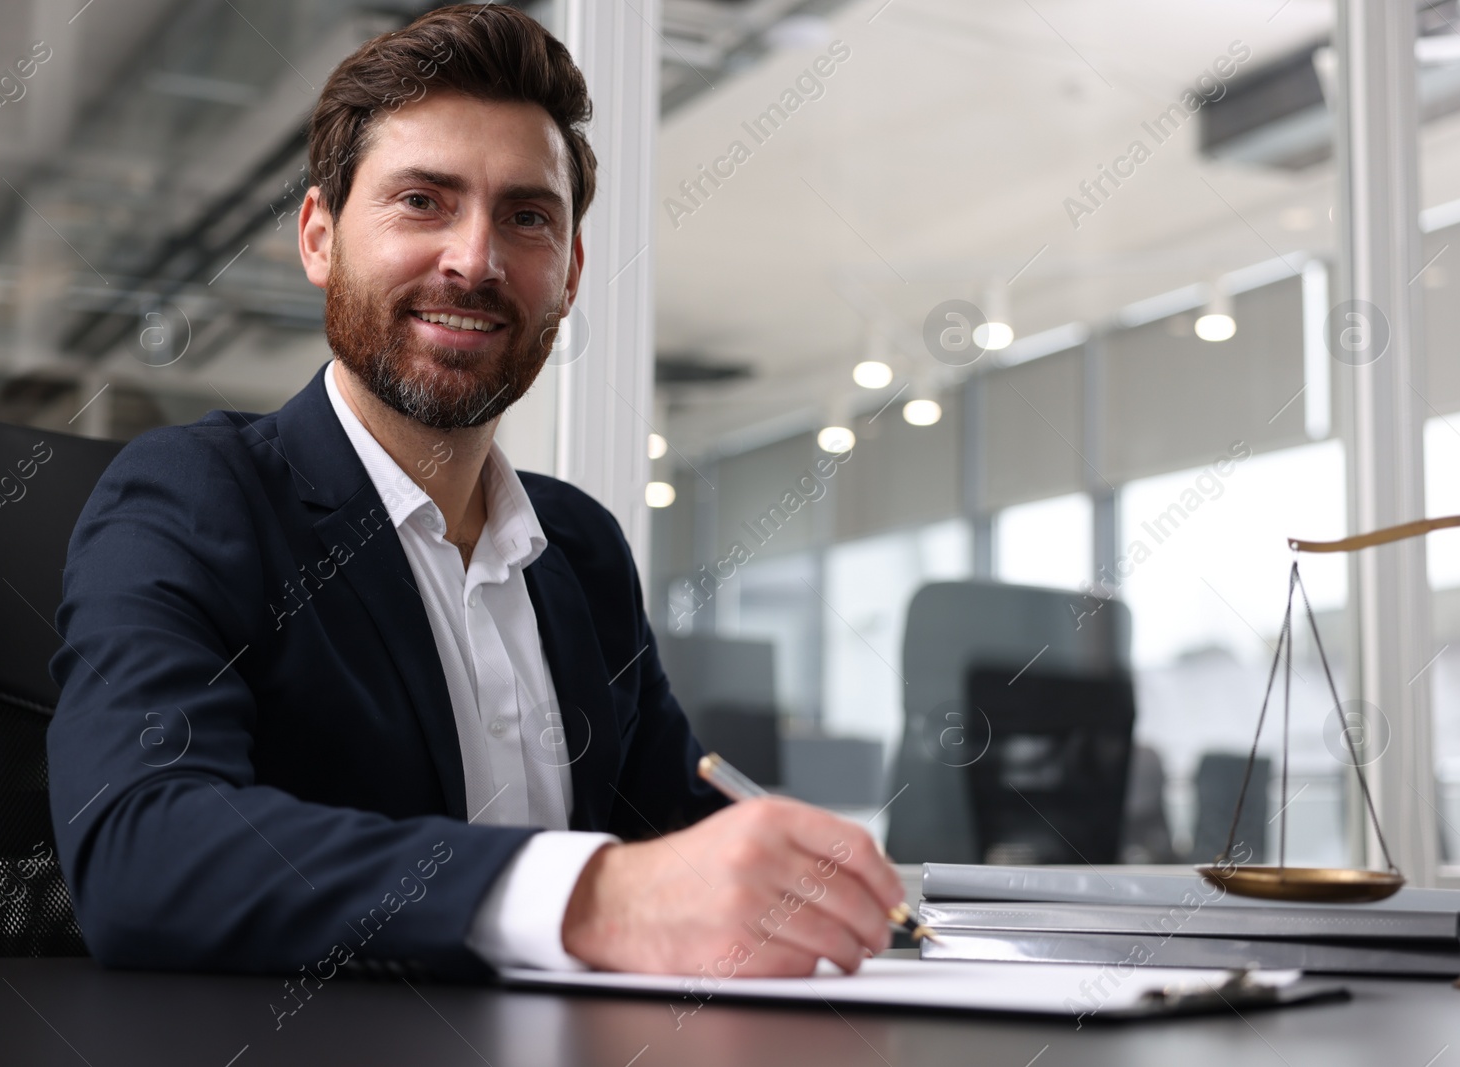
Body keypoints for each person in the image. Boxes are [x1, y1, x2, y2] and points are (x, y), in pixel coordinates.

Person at [46, 4, 904, 983]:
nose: (475, 259)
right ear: (319, 238)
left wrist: (816, 884)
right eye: (422, 200)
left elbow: (680, 831)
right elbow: (139, 855)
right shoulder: (194, 497)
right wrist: (595, 897)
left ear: (570, 272)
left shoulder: (577, 547)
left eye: (527, 216)